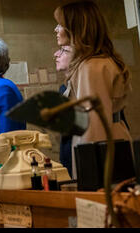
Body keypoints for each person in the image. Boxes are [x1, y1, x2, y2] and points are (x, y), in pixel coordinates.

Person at [54, 1, 132, 179]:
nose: (56, 30)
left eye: (60, 25)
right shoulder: (93, 63)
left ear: (76, 28)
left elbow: (93, 124)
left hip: (101, 148)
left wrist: (88, 174)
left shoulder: (92, 66)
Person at [54, 45, 74, 177]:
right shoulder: (63, 89)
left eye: (64, 51)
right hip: (68, 155)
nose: (56, 54)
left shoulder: (84, 85)